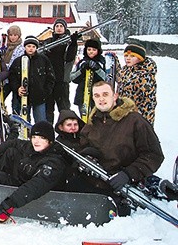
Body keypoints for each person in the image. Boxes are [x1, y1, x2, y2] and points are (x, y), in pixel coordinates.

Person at [74, 81, 164, 214]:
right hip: (96, 181)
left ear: (115, 96)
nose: (101, 99)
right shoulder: (92, 124)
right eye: (97, 96)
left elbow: (153, 155)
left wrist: (128, 174)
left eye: (105, 94)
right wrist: (88, 154)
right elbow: (83, 146)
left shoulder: (135, 121)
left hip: (122, 184)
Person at [0, 121, 67, 223]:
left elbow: (35, 186)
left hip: (43, 199)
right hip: (22, 184)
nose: (36, 141)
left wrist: (8, 205)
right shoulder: (30, 147)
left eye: (42, 138)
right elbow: (11, 143)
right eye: (34, 137)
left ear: (50, 141)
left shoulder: (54, 162)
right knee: (4, 162)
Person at [8, 36, 55, 123]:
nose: (31, 49)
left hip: (40, 97)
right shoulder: (18, 61)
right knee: (24, 122)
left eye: (33, 47)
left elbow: (50, 77)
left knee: (41, 122)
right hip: (22, 98)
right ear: (25, 47)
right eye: (29, 46)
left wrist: (46, 91)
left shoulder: (43, 60)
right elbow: (12, 77)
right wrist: (17, 88)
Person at [42, 19, 79, 124]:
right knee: (48, 109)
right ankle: (49, 132)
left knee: (64, 109)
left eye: (61, 26)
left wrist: (73, 43)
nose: (59, 28)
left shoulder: (69, 42)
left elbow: (69, 58)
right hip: (49, 81)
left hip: (61, 81)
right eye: (57, 26)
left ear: (65, 28)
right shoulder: (48, 42)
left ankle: (66, 131)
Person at [117, 43, 157, 125]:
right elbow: (119, 78)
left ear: (140, 58)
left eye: (132, 56)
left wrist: (144, 121)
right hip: (123, 113)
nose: (128, 58)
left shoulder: (145, 75)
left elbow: (149, 101)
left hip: (137, 117)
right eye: (126, 56)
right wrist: (114, 59)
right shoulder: (126, 70)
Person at [70, 38, 106, 117]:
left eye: (94, 49)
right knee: (84, 117)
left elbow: (106, 78)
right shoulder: (82, 62)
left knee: (97, 118)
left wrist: (97, 69)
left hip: (98, 95)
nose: (91, 52)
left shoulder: (102, 62)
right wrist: (82, 70)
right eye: (89, 49)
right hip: (82, 95)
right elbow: (72, 77)